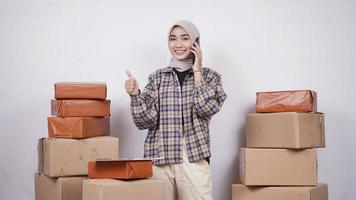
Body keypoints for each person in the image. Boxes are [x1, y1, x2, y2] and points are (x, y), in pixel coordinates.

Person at [125, 20, 227, 200]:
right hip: (159, 159)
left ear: (195, 42)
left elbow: (205, 108)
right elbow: (144, 121)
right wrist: (135, 95)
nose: (178, 45)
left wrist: (197, 71)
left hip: (193, 159)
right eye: (173, 39)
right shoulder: (157, 78)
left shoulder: (210, 77)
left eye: (184, 38)